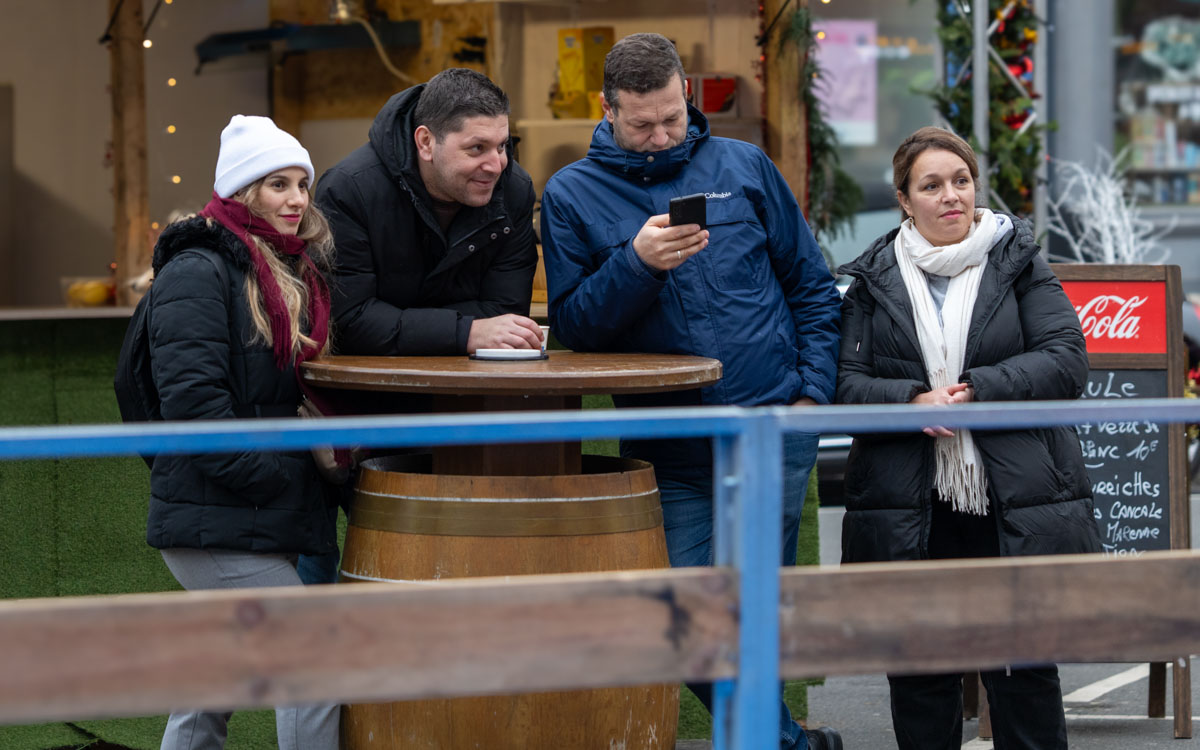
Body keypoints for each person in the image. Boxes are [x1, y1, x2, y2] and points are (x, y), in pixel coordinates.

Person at [539, 32, 843, 750]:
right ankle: (790, 744)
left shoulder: (744, 165)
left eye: (672, 117)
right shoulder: (570, 193)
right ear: (608, 109)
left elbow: (811, 286)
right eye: (642, 123)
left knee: (756, 612)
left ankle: (774, 741)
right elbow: (575, 327)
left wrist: (811, 398)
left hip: (772, 426)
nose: (660, 136)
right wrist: (636, 264)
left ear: (686, 94)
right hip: (668, 444)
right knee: (681, 613)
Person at [835, 126, 1102, 750]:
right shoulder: (872, 279)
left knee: (1023, 668)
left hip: (1015, 498)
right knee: (921, 670)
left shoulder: (1018, 261)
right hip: (910, 501)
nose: (951, 196)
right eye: (931, 186)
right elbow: (844, 384)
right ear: (904, 200)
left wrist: (981, 390)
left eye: (961, 181)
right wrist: (908, 402)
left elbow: (1067, 360)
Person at [145, 115, 342, 750]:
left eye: (302, 184)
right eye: (278, 184)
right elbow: (195, 411)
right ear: (242, 191)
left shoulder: (287, 268)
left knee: (213, 681)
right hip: (218, 515)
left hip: (246, 513)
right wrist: (285, 475)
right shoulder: (198, 271)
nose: (297, 199)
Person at [314, 67, 542, 358]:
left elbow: (506, 315)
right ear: (425, 142)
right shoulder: (350, 191)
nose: (497, 166)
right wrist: (465, 332)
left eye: (501, 146)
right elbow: (348, 319)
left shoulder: (513, 190)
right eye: (477, 148)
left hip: (475, 379)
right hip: (373, 381)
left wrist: (397, 321)